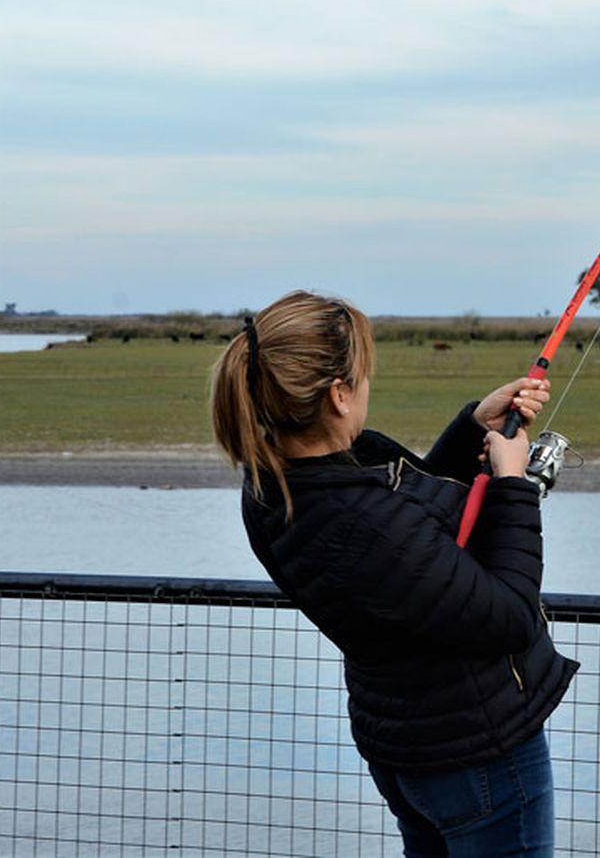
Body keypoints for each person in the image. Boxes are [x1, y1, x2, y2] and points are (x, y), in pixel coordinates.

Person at [209, 289, 577, 858]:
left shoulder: (277, 487)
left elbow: (417, 549)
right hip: (475, 754)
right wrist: (512, 487)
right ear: (336, 395)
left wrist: (470, 428)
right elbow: (507, 617)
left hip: (410, 746)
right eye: (360, 379)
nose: (365, 390)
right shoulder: (358, 518)